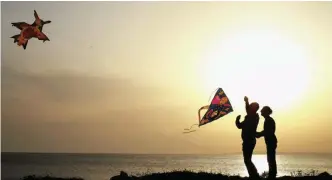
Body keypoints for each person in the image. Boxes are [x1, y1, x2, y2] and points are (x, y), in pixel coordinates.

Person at [236, 96, 260, 179]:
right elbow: (239, 126)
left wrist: (246, 101)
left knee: (247, 160)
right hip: (247, 141)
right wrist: (237, 120)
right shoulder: (249, 118)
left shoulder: (254, 117)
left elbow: (248, 110)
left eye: (251, 107)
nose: (249, 108)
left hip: (249, 141)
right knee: (247, 160)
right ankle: (253, 175)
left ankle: (254, 175)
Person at [256, 106, 278, 179]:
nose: (261, 112)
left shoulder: (269, 120)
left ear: (266, 112)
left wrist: (259, 134)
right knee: (270, 158)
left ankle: (272, 175)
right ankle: (272, 174)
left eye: (262, 111)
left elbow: (267, 131)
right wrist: (259, 134)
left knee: (271, 158)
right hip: (270, 141)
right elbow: (266, 131)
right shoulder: (268, 120)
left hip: (271, 141)